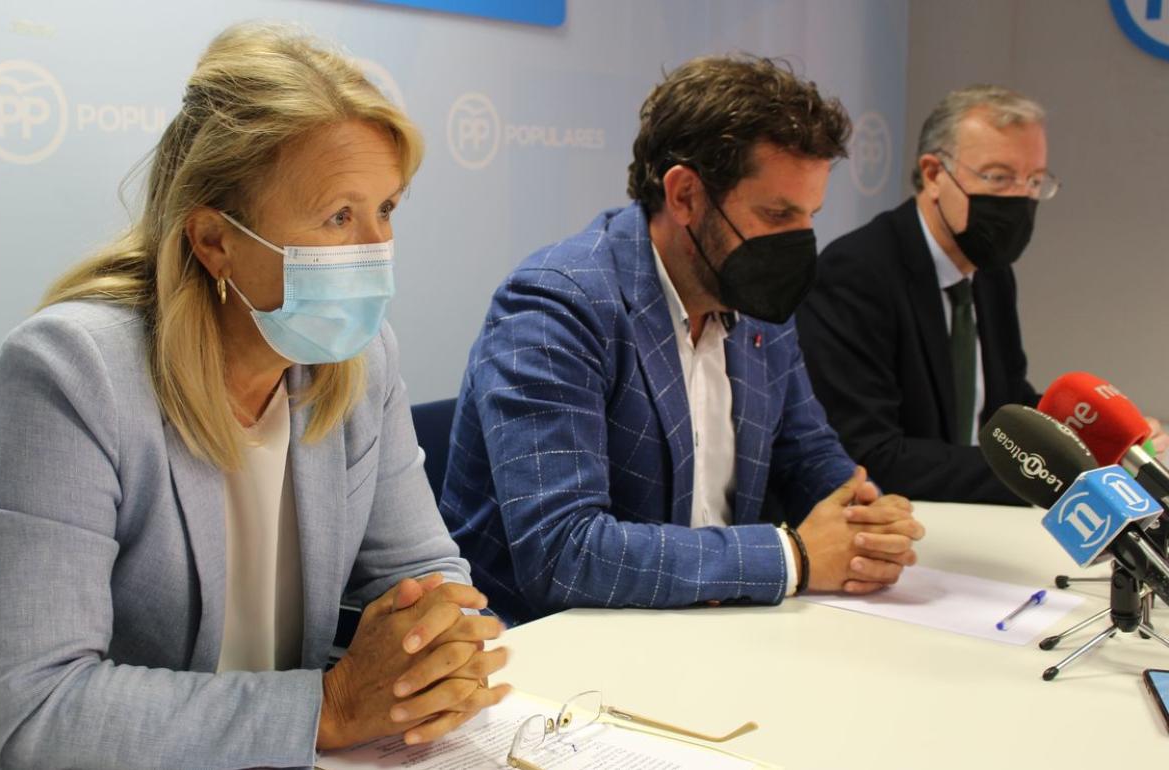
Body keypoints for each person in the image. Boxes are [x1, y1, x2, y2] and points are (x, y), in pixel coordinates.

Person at [0, 24, 509, 770]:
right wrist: (326, 707)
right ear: (214, 240)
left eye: (386, 210)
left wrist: (436, 651)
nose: (374, 250)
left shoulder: (360, 361)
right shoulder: (69, 373)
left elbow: (425, 576)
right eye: (338, 216)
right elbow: (39, 708)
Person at [440, 55, 924, 626]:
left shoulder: (757, 301)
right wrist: (792, 555)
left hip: (712, 629)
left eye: (810, 216)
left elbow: (806, 451)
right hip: (553, 656)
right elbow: (563, 553)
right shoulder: (558, 306)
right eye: (776, 214)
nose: (800, 243)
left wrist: (860, 517)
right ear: (686, 195)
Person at [796, 85, 1167, 505]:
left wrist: (1102, 443)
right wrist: (1054, 471)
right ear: (934, 174)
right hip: (896, 522)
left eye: (1034, 181)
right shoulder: (858, 273)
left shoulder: (990, 272)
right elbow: (873, 454)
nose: (1019, 198)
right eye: (998, 177)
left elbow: (1006, 405)